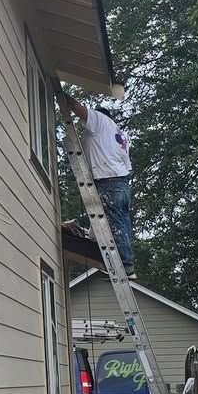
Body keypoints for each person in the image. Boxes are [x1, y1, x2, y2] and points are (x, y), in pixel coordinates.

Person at [68, 97, 134, 273]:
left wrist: (61, 93)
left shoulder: (100, 121)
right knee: (119, 221)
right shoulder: (118, 133)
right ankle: (96, 239)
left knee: (115, 222)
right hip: (121, 180)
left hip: (108, 179)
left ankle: (125, 266)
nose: (84, 125)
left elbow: (76, 107)